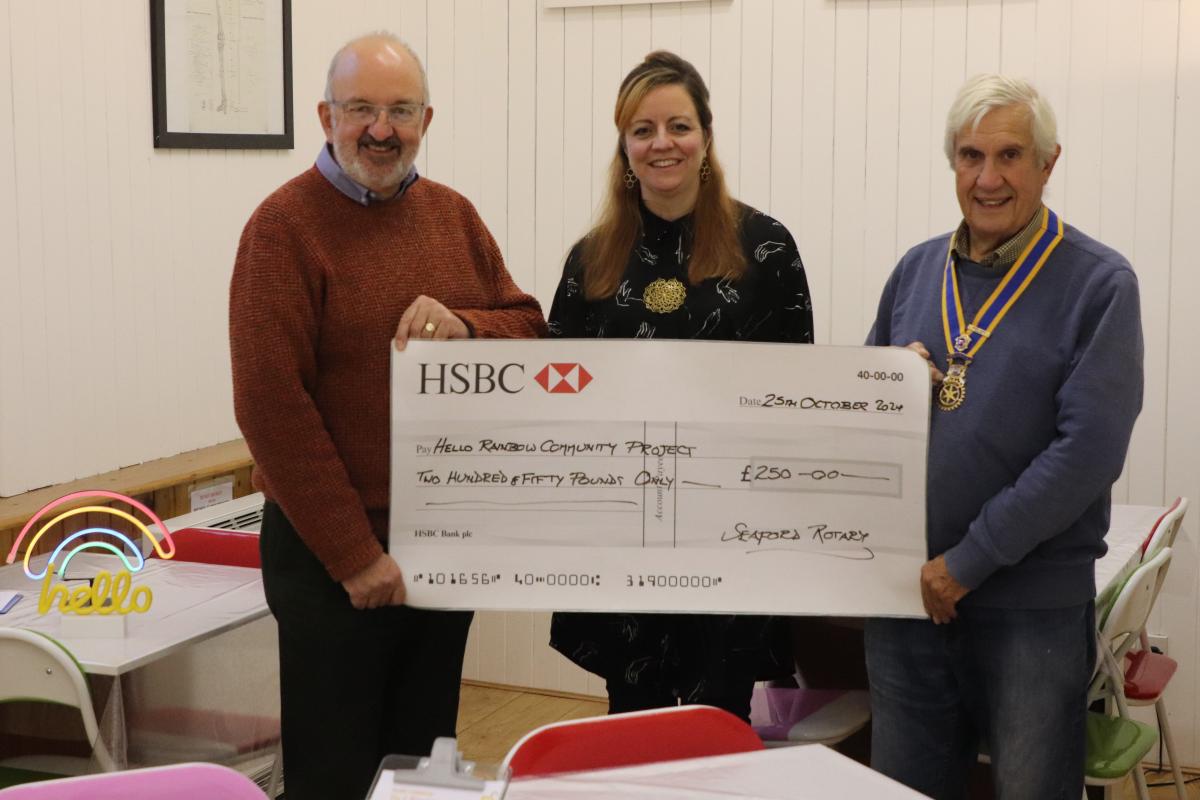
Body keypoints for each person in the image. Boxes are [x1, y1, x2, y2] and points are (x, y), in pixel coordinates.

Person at [229, 33, 545, 800]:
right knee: (336, 774)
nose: (381, 128)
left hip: (441, 547)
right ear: (324, 116)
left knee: (423, 768)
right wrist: (354, 555)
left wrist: (468, 324)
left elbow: (530, 329)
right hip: (331, 560)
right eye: (361, 109)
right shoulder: (282, 229)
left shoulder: (455, 218)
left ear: (426, 119)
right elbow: (270, 405)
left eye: (400, 110)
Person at [864, 74, 1143, 799]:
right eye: (969, 156)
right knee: (907, 790)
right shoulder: (916, 271)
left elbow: (1087, 452)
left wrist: (966, 562)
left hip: (1029, 609)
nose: (987, 178)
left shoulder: (1100, 284)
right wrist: (888, 383)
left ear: (1049, 164)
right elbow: (857, 419)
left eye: (1010, 156)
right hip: (904, 602)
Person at [546, 50, 814, 722]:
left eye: (678, 125)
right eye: (642, 129)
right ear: (625, 146)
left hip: (730, 535)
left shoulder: (768, 249)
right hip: (622, 535)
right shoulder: (592, 258)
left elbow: (801, 394)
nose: (661, 142)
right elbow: (553, 397)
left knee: (719, 725)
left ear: (706, 138)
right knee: (630, 724)